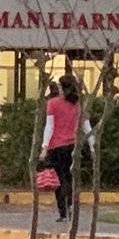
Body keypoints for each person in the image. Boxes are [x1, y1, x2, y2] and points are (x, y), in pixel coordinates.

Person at [40, 75, 93, 222]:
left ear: (62, 88)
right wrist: (92, 147)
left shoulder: (52, 103)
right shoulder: (79, 105)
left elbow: (49, 127)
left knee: (59, 179)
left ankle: (63, 211)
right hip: (73, 147)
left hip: (56, 147)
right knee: (70, 178)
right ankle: (70, 205)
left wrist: (44, 147)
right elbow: (87, 127)